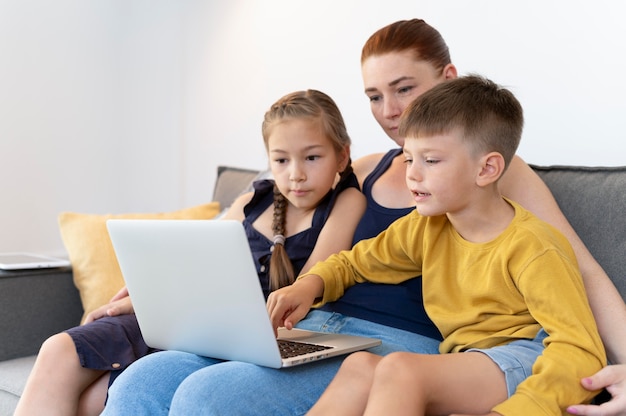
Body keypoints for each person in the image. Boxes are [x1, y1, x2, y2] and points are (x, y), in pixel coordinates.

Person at [102, 19, 626, 415]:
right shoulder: (363, 169)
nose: (391, 111)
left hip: (405, 342)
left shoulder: (493, 173)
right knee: (139, 384)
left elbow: (578, 275)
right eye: (375, 96)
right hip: (315, 327)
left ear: (447, 79)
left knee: (207, 396)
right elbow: (271, 201)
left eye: (404, 89)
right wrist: (167, 280)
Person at [14, 88, 366, 416]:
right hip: (185, 318)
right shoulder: (251, 201)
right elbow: (192, 263)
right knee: (58, 350)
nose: (296, 175)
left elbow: (314, 279)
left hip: (231, 337)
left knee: (93, 399)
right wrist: (139, 297)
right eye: (281, 160)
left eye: (312, 157)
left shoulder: (347, 201)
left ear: (341, 155)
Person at [289, 74, 605, 415]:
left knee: (401, 370)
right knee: (359, 367)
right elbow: (356, 262)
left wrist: (521, 409)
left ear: (486, 169)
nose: (413, 174)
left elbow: (579, 349)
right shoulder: (426, 228)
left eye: (432, 160)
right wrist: (310, 284)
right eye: (409, 158)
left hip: (529, 357)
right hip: (469, 360)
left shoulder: (534, 247)